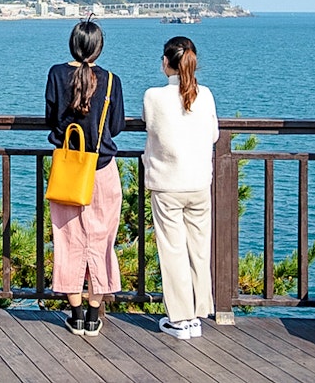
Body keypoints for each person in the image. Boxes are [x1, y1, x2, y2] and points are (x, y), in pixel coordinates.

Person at [45, 19, 126, 337]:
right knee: (102, 243)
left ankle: (75, 314)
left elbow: (51, 119)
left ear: (72, 44)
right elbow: (116, 125)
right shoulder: (110, 81)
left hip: (67, 172)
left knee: (68, 242)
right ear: (99, 48)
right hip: (103, 170)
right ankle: (94, 316)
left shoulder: (56, 74)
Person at [142, 36, 219, 340]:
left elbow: (152, 127)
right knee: (198, 249)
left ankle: (180, 318)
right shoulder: (207, 95)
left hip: (167, 183)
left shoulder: (153, 96)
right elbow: (213, 134)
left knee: (172, 251)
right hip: (199, 182)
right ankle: (199, 314)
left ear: (167, 63)